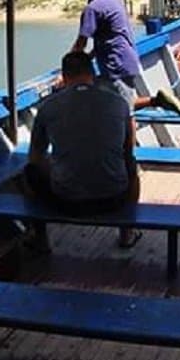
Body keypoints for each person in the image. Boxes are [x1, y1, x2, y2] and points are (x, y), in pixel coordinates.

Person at [26, 51, 141, 249]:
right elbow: (128, 151)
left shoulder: (48, 107)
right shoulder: (119, 103)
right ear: (92, 73)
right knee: (132, 166)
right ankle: (126, 234)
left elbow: (35, 157)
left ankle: (41, 239)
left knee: (30, 172)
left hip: (65, 200)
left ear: (64, 76)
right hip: (114, 198)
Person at [73, 0, 180, 115]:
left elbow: (81, 43)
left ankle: (129, 138)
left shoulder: (93, 8)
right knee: (115, 104)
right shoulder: (114, 0)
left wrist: (67, 68)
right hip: (126, 60)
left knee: (126, 113)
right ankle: (157, 100)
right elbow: (109, 37)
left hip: (115, 66)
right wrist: (89, 57)